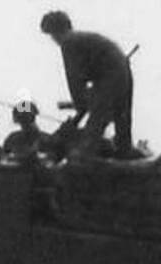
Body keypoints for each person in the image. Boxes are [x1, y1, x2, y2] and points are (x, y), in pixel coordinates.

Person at [39, 9, 134, 157]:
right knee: (121, 121)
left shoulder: (69, 43)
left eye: (52, 35)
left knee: (94, 128)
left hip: (110, 76)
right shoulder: (82, 39)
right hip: (121, 70)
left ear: (55, 32)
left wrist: (79, 109)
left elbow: (75, 82)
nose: (53, 40)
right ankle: (125, 153)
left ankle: (84, 159)